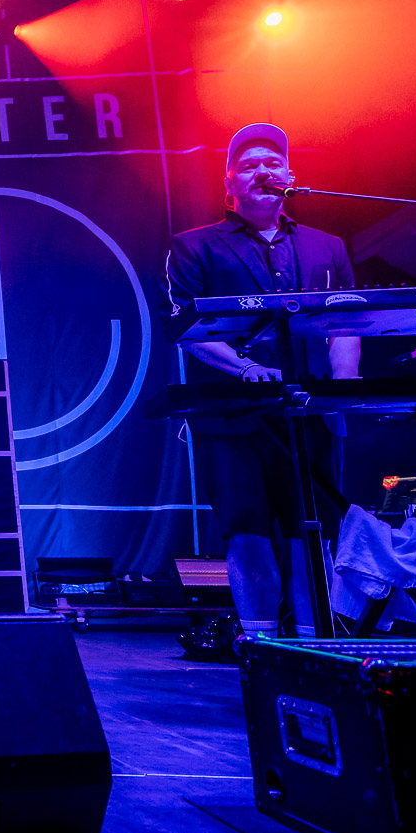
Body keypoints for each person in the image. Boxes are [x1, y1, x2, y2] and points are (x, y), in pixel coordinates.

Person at [165, 123, 360, 638]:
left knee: (311, 532)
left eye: (273, 163)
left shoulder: (327, 247)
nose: (262, 172)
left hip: (309, 413)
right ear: (229, 182)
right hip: (230, 416)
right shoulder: (195, 246)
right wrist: (248, 369)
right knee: (247, 530)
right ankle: (259, 644)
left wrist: (343, 394)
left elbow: (345, 325)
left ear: (291, 177)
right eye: (249, 165)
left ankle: (316, 647)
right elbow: (186, 329)